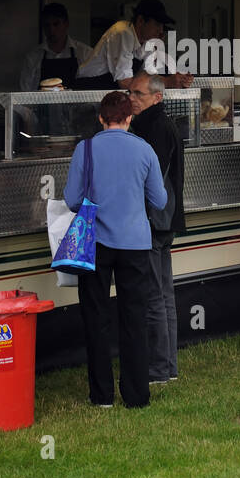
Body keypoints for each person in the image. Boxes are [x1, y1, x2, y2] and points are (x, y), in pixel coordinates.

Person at [64, 91, 167, 407]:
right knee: (134, 318)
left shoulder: (86, 149)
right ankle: (137, 395)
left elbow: (71, 199)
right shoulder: (144, 149)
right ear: (129, 118)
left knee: (95, 317)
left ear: (100, 118)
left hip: (95, 243)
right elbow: (160, 200)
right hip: (135, 243)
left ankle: (101, 395)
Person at [127, 71, 186, 384]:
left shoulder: (155, 128)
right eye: (131, 94)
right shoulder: (159, 125)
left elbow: (152, 181)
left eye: (139, 94)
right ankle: (169, 367)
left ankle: (158, 369)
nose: (133, 99)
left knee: (154, 296)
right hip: (165, 220)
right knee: (164, 296)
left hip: (153, 221)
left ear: (157, 97)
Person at [75, 0, 193, 90]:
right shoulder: (122, 32)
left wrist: (178, 79)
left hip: (109, 91)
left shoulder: (148, 42)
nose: (161, 31)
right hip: (88, 89)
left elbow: (148, 76)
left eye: (162, 26)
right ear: (141, 21)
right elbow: (125, 83)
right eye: (157, 24)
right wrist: (167, 82)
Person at [19, 2, 94, 92]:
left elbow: (92, 88)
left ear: (66, 24)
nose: (51, 30)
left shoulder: (85, 53)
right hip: (42, 106)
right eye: (47, 25)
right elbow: (24, 93)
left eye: (56, 24)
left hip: (77, 106)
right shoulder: (33, 57)